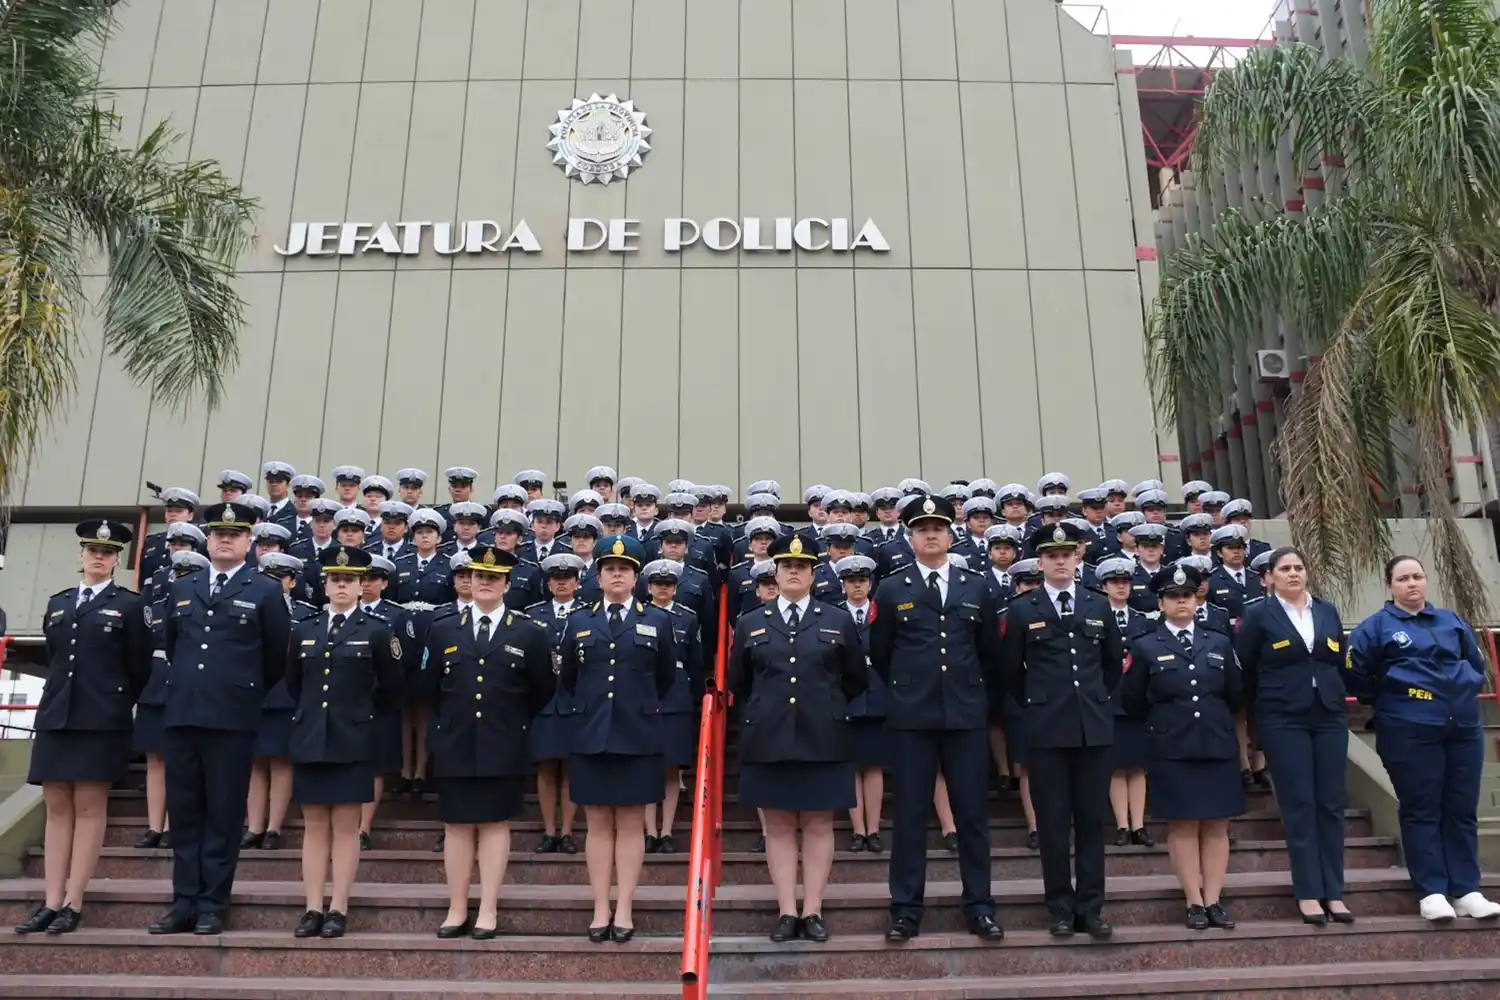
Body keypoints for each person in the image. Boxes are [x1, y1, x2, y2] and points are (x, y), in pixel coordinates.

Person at [150, 502, 292, 936]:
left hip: (232, 719)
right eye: (217, 533)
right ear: (207, 540)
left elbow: (275, 657)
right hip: (184, 715)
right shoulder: (183, 587)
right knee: (186, 812)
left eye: (234, 533)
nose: (224, 539)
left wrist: (239, 694)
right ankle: (183, 902)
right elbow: (174, 647)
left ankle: (213, 903)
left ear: (250, 542)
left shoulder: (265, 590)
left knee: (224, 813)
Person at [869, 493, 1005, 943]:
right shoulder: (891, 589)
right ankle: (906, 909)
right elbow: (882, 654)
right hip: (912, 718)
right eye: (922, 529)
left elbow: (988, 652)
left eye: (939, 528)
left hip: (965, 715)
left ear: (952, 535)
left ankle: (980, 906)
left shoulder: (976, 586)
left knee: (971, 816)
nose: (931, 534)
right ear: (910, 538)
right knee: (909, 817)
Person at [15, 520, 152, 936]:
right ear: (81, 554)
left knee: (90, 808)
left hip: (100, 719)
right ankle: (50, 900)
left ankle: (74, 901)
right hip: (58, 715)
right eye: (92, 549)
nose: (99, 556)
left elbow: (139, 667)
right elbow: (55, 657)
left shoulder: (129, 605)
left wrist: (112, 703)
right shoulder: (59, 602)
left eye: (108, 552)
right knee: (57, 809)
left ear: (117, 560)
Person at [1346, 556, 1500, 922]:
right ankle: (1432, 891)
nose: (1412, 583)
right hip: (1408, 728)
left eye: (1417, 576)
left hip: (1460, 727)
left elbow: (1475, 666)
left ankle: (1466, 888)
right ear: (1390, 586)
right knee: (1421, 809)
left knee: (1461, 809)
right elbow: (1357, 678)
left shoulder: (1451, 621)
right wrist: (1395, 701)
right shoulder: (1375, 628)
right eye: (1403, 578)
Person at [729, 535, 865, 943]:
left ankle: (813, 909)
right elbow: (739, 681)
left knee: (821, 823)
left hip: (823, 734)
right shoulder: (751, 621)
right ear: (774, 572)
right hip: (769, 736)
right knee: (780, 825)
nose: (793, 571)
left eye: (802, 566)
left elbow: (855, 678)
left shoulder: (836, 619)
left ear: (813, 574)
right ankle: (787, 909)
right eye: (786, 566)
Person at [998, 521, 1127, 940]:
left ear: (1078, 558)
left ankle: (1090, 908)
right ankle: (1059, 906)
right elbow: (1010, 673)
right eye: (1051, 556)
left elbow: (1111, 665)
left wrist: (1092, 703)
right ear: (1040, 562)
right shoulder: (1022, 609)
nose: (1059, 561)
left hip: (1092, 730)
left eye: (1066, 555)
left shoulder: (1097, 604)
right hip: (1046, 731)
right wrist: (1040, 705)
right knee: (1052, 824)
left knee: (1091, 821)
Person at [425, 546, 555, 938]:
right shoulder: (444, 627)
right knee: (457, 827)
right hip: (456, 741)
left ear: (507, 584)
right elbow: (432, 688)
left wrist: (510, 722)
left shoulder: (528, 632)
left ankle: (488, 908)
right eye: (478, 576)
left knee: (495, 824)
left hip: (503, 742)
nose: (484, 582)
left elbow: (542, 689)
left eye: (493, 577)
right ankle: (456, 907)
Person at [557, 534, 676, 943]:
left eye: (624, 570)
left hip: (637, 734)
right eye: (610, 569)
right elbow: (570, 678)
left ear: (637, 576)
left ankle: (623, 906)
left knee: (629, 825)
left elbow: (665, 678)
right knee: (596, 825)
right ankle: (600, 907)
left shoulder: (658, 620)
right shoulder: (579, 620)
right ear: (599, 575)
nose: (617, 575)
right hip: (591, 733)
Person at [285, 545, 403, 939]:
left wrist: (359, 717)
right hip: (311, 736)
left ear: (361, 586)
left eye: (350, 580)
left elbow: (390, 688)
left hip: (353, 738)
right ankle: (312, 907)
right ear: (325, 584)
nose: (341, 585)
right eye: (335, 579)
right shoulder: (304, 628)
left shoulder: (376, 630)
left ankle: (339, 907)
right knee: (314, 825)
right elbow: (293, 683)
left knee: (346, 826)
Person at [1122, 564, 1245, 930]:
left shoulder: (1219, 641)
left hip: (1216, 742)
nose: (1181, 602)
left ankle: (1214, 900)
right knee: (1183, 826)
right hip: (1171, 745)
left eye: (1187, 596)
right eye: (1173, 597)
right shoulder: (1145, 645)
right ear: (1161, 602)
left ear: (1197, 599)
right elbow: (1132, 699)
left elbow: (1235, 693)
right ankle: (1193, 900)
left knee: (1216, 825)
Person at [1234, 546, 1352, 925]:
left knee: (1331, 804)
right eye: (1284, 569)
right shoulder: (1258, 615)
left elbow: (1337, 659)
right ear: (1269, 577)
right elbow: (1246, 669)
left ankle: (1334, 891)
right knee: (1299, 804)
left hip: (1329, 715)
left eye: (1299, 567)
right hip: (1283, 719)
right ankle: (1309, 892)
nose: (1293, 574)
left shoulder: (1327, 610)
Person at [242, 554, 317, 852]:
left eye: (281, 578)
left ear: (293, 581)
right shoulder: (252, 605)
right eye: (269, 577)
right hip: (255, 692)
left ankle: (274, 826)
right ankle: (254, 826)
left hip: (287, 694)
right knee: (256, 763)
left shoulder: (305, 612)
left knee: (282, 762)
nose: (275, 584)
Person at [640, 559, 706, 854]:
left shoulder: (688, 618)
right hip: (645, 693)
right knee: (645, 766)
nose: (663, 589)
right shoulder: (638, 614)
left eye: (668, 585)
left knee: (670, 768)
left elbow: (695, 662)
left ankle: (665, 831)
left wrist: (693, 701)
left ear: (675, 589)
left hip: (677, 696)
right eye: (658, 585)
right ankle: (648, 831)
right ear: (649, 587)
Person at [526, 553, 586, 854]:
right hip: (544, 700)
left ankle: (567, 832)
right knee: (546, 769)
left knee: (572, 769)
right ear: (548, 584)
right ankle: (549, 831)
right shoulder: (531, 614)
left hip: (576, 700)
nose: (561, 583)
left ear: (577, 583)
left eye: (567, 579)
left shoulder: (588, 614)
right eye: (556, 579)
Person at [1096, 556, 1153, 848]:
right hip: (1107, 699)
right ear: (1103, 586)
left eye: (1125, 582)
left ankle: (1139, 825)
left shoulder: (1145, 620)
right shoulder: (1094, 616)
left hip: (1137, 700)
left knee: (1138, 766)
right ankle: (1121, 824)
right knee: (1116, 767)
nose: (1121, 587)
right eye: (1114, 583)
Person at [836, 554, 886, 853]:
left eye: (863, 580)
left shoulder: (882, 614)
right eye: (852, 581)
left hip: (879, 696)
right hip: (846, 698)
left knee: (875, 767)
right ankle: (857, 831)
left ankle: (874, 829)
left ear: (870, 584)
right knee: (851, 767)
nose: (857, 585)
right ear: (843, 585)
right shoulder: (833, 615)